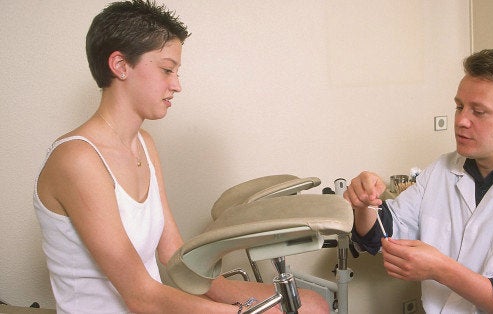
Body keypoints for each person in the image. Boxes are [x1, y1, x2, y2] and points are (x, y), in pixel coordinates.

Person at [33, 1, 328, 313]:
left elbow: (173, 253)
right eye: (166, 70)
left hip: (149, 302)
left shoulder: (143, 143)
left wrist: (251, 297)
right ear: (120, 65)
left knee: (312, 304)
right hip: (138, 304)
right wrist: (243, 312)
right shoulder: (77, 159)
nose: (177, 85)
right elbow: (140, 296)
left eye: (176, 71)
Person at [344, 49, 493, 313]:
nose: (461, 121)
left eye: (479, 112)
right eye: (459, 106)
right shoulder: (442, 169)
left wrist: (442, 270)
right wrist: (364, 204)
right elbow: (382, 233)